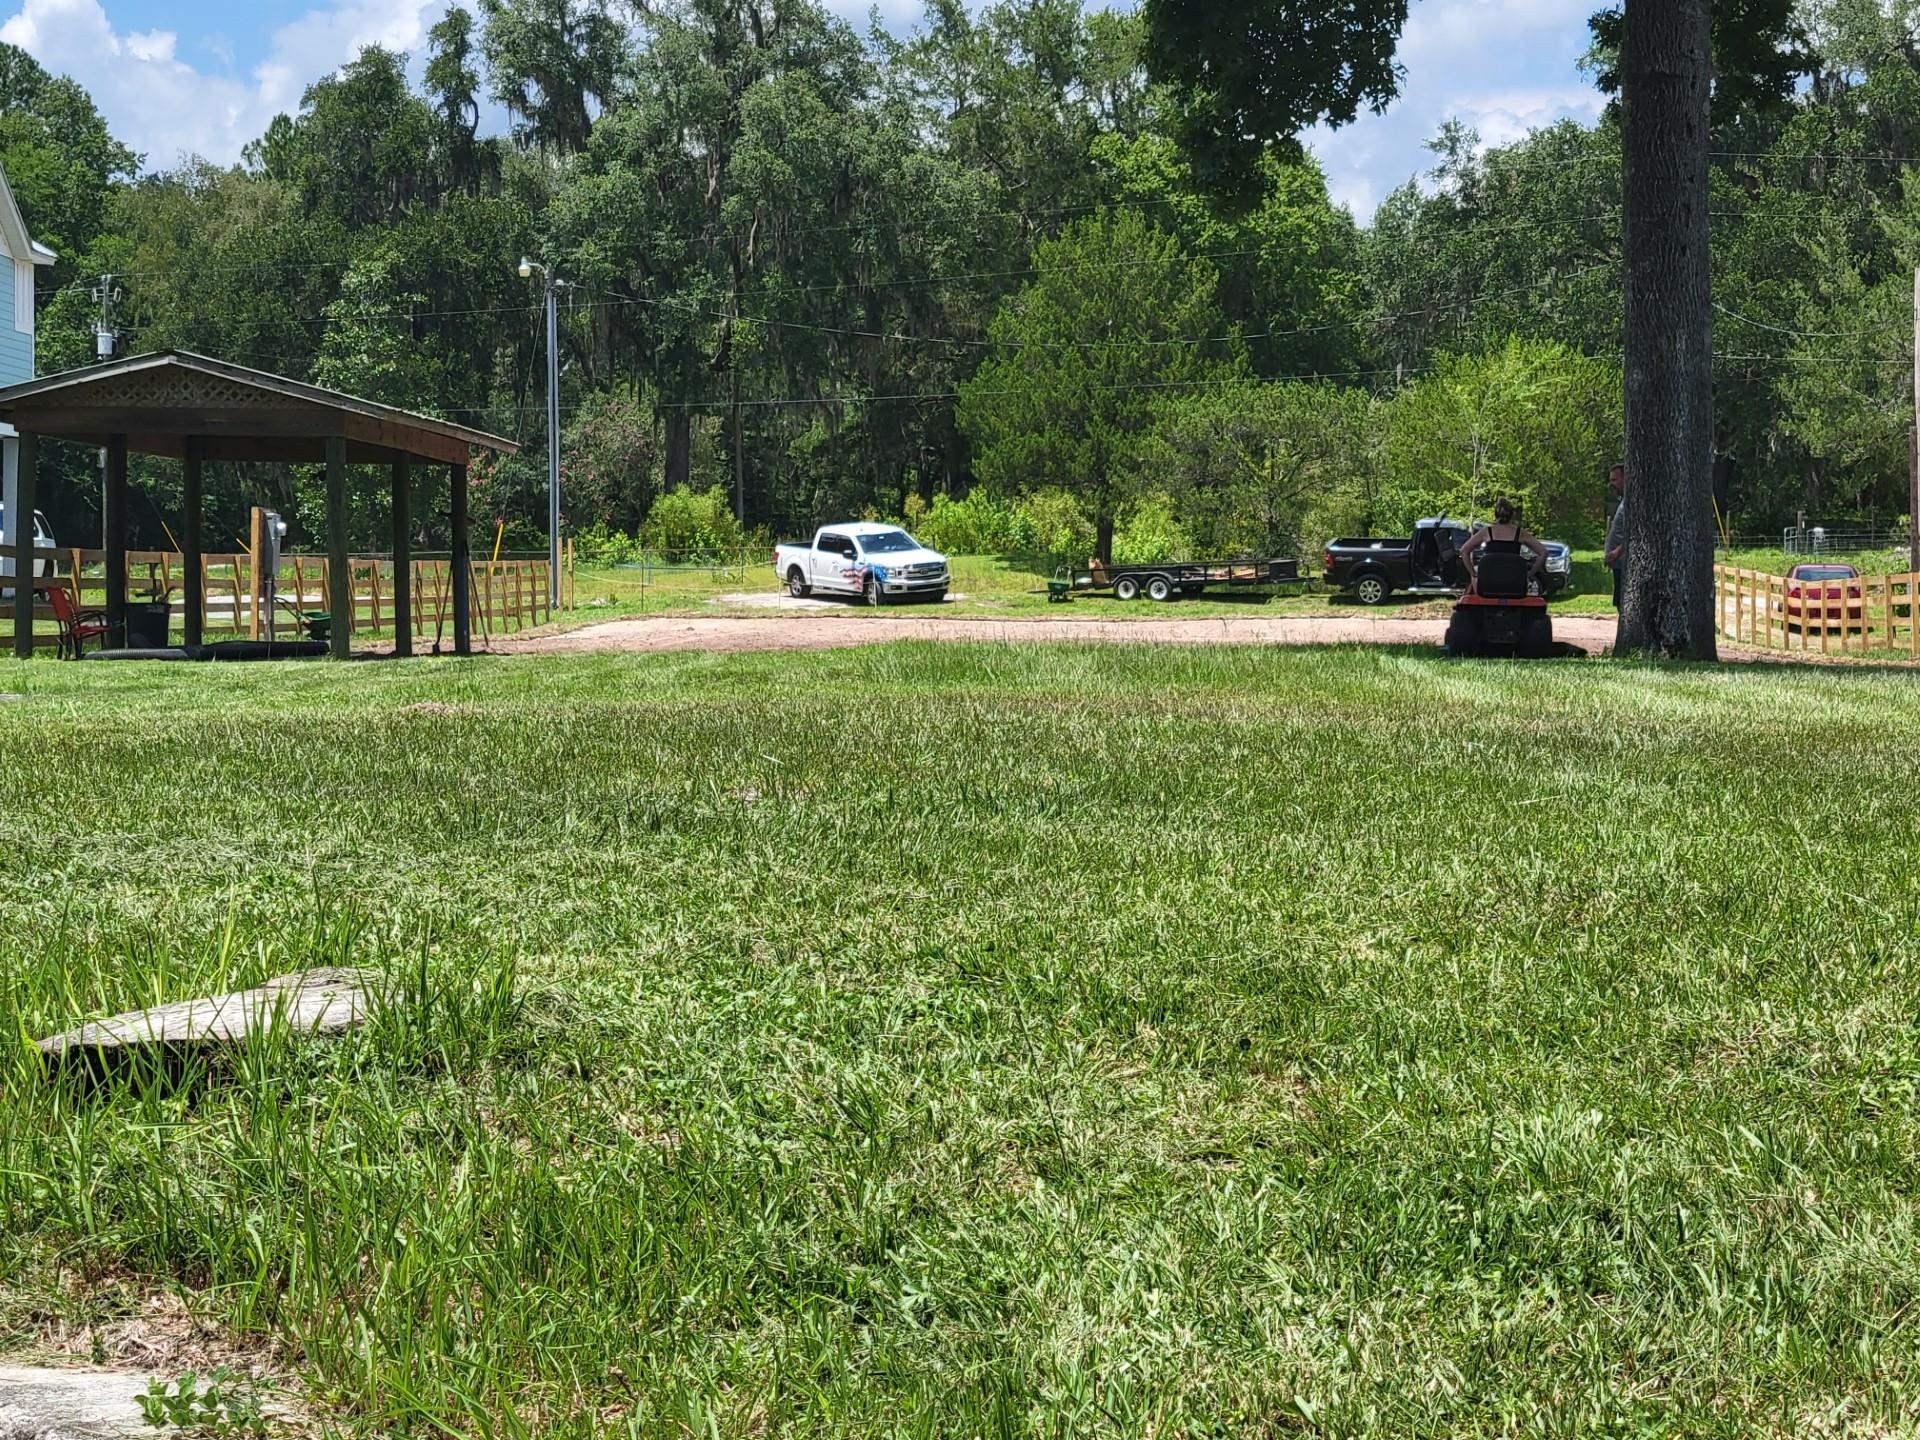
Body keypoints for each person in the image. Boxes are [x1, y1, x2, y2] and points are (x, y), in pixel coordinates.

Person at [1459, 498, 1547, 594]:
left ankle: (1479, 598)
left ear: (1495, 514)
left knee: (1476, 569)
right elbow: (1543, 553)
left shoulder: (1487, 532)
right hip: (1514, 581)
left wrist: (1473, 573)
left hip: (1489, 581)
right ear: (1512, 515)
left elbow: (1464, 550)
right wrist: (1530, 574)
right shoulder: (1520, 533)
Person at [1604, 462, 1627, 608]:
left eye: (1614, 480)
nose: (1611, 484)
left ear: (1626, 478)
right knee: (1619, 604)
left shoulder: (1632, 502)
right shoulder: (1623, 501)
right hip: (1618, 564)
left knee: (1623, 605)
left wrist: (1617, 552)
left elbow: (1636, 532)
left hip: (1625, 565)